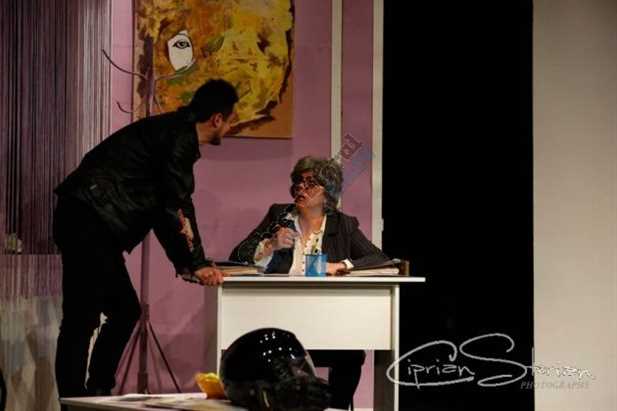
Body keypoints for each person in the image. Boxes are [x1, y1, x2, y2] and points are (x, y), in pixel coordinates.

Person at [52, 79, 238, 399]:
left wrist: (187, 263)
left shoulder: (173, 132)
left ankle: (96, 393)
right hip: (88, 219)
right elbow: (175, 207)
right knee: (82, 319)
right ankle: (78, 401)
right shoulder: (177, 138)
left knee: (123, 311)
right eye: (231, 119)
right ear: (217, 118)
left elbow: (165, 211)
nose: (230, 127)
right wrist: (195, 263)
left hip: (90, 221)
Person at [229, 156, 389, 409]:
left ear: (328, 192)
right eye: (298, 181)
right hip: (280, 319)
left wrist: (342, 265)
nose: (300, 188)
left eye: (310, 183)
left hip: (327, 320)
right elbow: (237, 255)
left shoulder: (343, 224)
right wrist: (269, 245)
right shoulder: (279, 215)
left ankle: (334, 408)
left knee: (350, 353)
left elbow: (380, 259)